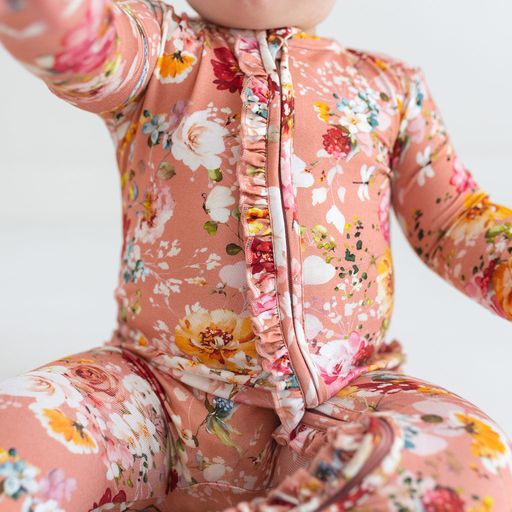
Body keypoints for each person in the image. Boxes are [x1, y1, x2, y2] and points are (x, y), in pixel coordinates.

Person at [1, 1, 511, 510]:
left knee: (469, 460)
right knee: (20, 437)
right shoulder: (156, 50)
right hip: (152, 396)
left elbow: (452, 219)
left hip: (340, 400)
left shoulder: (389, 87)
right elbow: (80, 40)